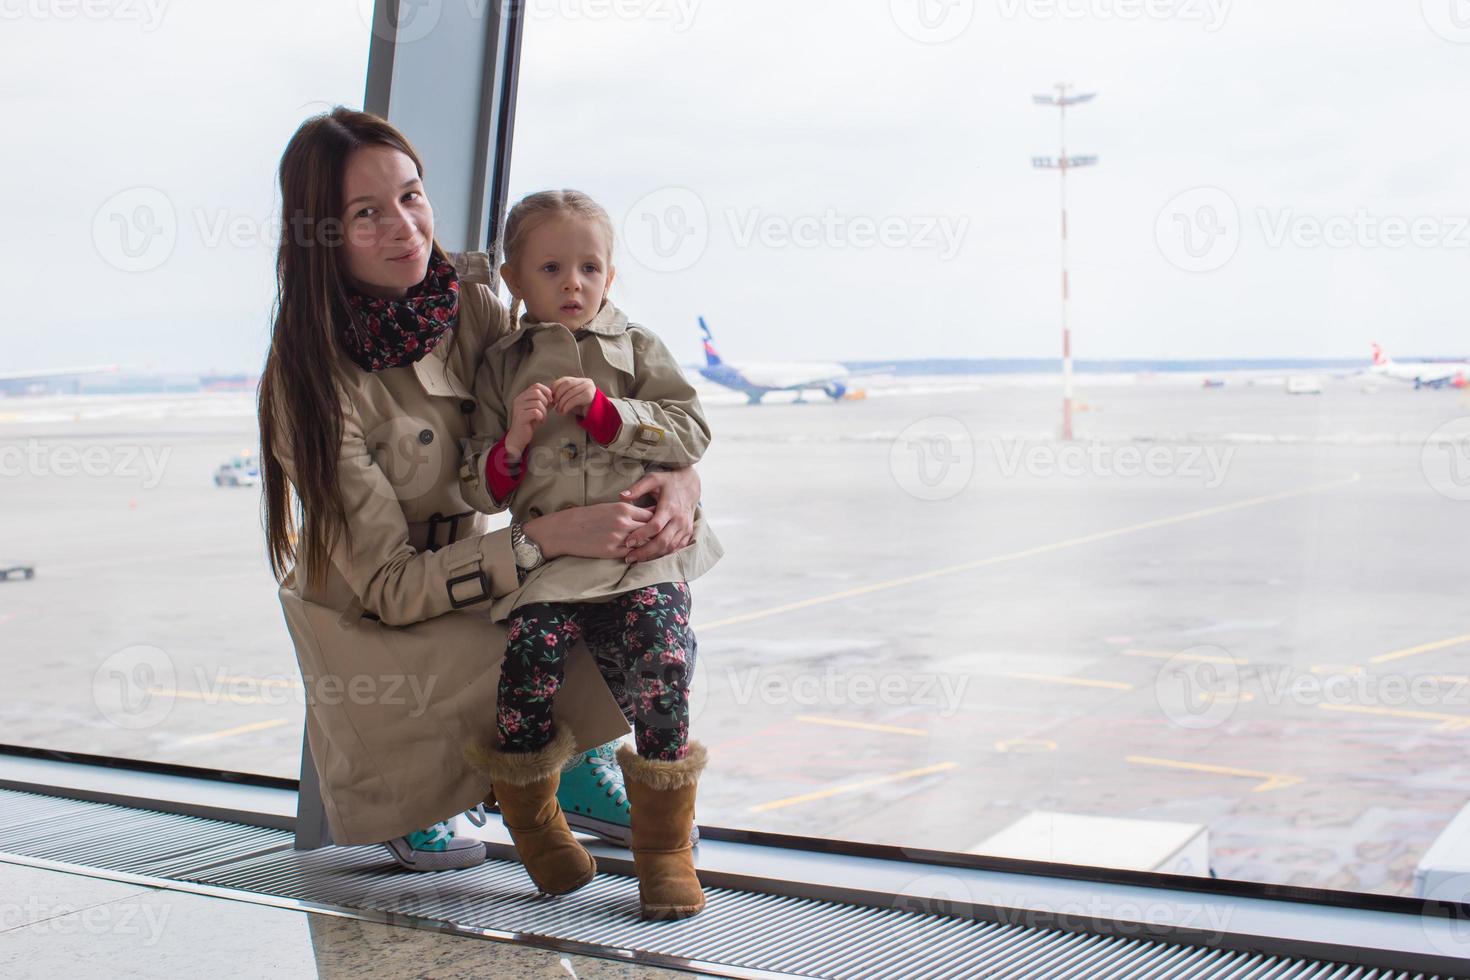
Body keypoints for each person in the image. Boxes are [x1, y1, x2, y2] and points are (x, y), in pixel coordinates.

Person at [256, 107, 706, 874]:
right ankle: (442, 782)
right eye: (367, 213)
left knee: (634, 590)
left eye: (411, 194)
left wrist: (678, 477)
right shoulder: (308, 386)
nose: (405, 226)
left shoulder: (470, 304)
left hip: (481, 573)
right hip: (381, 617)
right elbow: (392, 586)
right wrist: (541, 543)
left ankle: (569, 762)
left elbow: (584, 411)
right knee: (546, 604)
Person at [458, 190, 721, 919]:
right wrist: (511, 443)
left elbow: (691, 432)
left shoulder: (635, 346)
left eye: (590, 267)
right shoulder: (501, 365)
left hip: (641, 551)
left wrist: (612, 416)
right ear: (514, 279)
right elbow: (473, 484)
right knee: (528, 665)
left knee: (662, 665)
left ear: (611, 275)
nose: (573, 282)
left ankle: (664, 851)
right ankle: (536, 829)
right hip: (553, 560)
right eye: (551, 267)